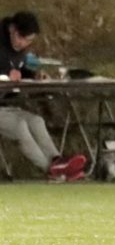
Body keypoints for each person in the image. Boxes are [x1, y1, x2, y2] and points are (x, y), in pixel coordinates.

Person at [0, 11, 87, 181]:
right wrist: (5, 75)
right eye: (21, 38)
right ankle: (52, 170)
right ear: (12, 29)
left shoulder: (18, 50)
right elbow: (7, 71)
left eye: (29, 41)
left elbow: (20, 69)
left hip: (5, 104)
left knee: (37, 121)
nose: (23, 44)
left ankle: (57, 160)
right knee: (20, 126)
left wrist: (34, 75)